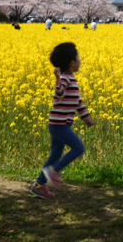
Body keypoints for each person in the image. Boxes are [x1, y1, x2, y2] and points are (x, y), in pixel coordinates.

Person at [30, 42, 95, 199]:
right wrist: (58, 79)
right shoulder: (65, 79)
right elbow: (58, 93)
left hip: (60, 124)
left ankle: (39, 186)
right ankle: (55, 171)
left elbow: (77, 101)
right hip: (58, 125)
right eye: (78, 58)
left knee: (54, 155)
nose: (80, 60)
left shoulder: (71, 79)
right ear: (72, 63)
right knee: (78, 148)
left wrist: (86, 118)